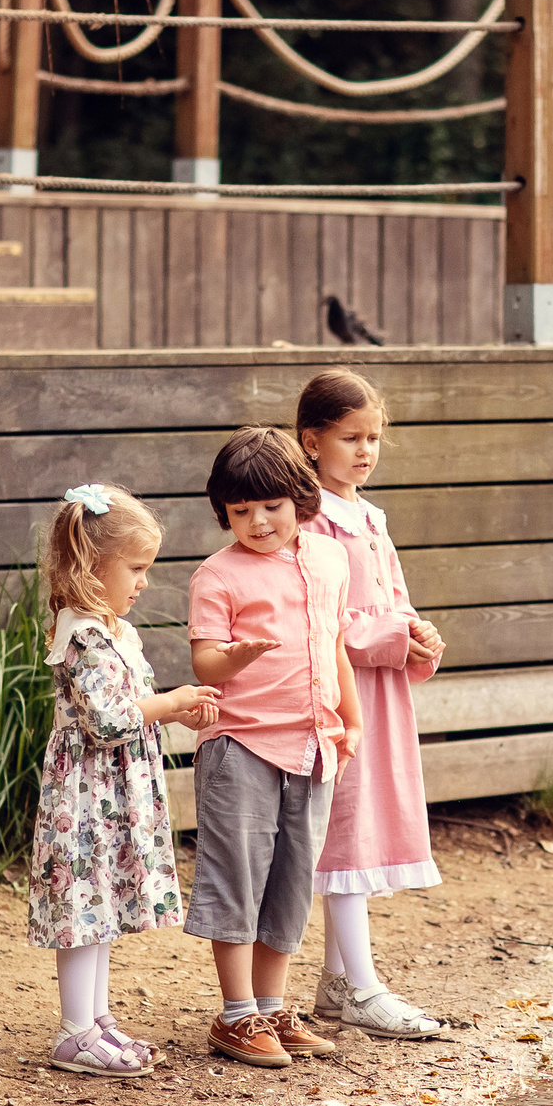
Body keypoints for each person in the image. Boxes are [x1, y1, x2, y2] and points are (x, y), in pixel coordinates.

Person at [185, 428, 363, 1069]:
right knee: (237, 877)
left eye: (271, 507)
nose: (258, 523)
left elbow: (335, 646)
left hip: (313, 745)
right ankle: (236, 1016)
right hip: (242, 746)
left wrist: (352, 718)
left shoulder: (329, 560)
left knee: (291, 882)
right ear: (223, 512)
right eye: (240, 512)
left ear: (300, 499)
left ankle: (273, 1007)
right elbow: (205, 657)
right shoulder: (217, 575)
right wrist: (233, 658)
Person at [28, 482, 217, 1076]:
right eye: (135, 568)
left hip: (112, 794)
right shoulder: (81, 635)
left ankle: (95, 1016)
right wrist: (169, 703)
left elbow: (129, 703)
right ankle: (74, 1031)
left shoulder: (112, 630)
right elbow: (109, 720)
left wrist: (171, 706)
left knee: (101, 901)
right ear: (91, 565)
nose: (142, 582)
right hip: (86, 797)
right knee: (84, 901)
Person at [296, 369, 450, 1039]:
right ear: (312, 440)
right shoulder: (310, 523)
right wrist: (389, 635)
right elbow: (323, 618)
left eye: (374, 438)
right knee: (348, 828)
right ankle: (361, 986)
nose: (364, 450)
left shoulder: (371, 517)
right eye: (349, 437)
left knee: (369, 819)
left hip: (382, 688)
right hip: (344, 692)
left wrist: (417, 634)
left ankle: (335, 983)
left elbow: (393, 597)